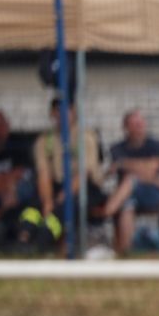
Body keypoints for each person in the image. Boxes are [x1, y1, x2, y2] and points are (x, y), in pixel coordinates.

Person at [33, 97, 109, 242]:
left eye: (66, 111)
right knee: (33, 206)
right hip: (57, 185)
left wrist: (62, 197)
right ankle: (25, 237)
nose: (62, 115)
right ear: (52, 114)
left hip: (85, 188)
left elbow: (84, 174)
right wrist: (47, 202)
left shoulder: (85, 137)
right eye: (57, 111)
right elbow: (43, 173)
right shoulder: (44, 140)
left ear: (74, 113)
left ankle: (44, 239)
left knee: (65, 208)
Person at [108, 109, 159, 255]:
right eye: (135, 124)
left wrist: (125, 164)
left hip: (150, 192)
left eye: (141, 123)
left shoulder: (155, 145)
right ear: (126, 128)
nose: (139, 127)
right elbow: (149, 171)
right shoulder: (117, 148)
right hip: (127, 196)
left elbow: (153, 168)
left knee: (131, 180)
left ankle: (109, 208)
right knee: (127, 206)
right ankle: (127, 252)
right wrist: (157, 179)